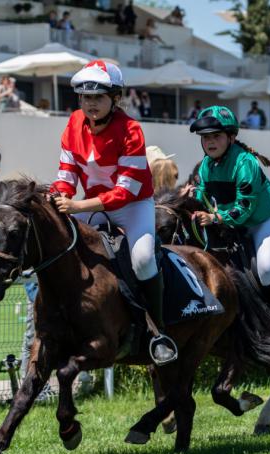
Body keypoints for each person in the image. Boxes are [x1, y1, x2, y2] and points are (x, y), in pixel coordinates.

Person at [49, 60, 176, 365]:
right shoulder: (72, 124)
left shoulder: (131, 129)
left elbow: (126, 191)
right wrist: (59, 196)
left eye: (98, 97)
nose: (90, 104)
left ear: (115, 98)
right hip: (93, 205)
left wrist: (77, 205)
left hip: (132, 206)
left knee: (144, 259)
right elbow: (66, 173)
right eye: (85, 97)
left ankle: (158, 333)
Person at [189, 106, 270, 304]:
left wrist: (215, 217)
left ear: (230, 137)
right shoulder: (206, 165)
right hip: (235, 222)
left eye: (216, 136)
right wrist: (189, 198)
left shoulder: (245, 162)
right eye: (205, 137)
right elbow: (202, 196)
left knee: (266, 269)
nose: (210, 141)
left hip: (265, 220)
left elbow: (244, 207)